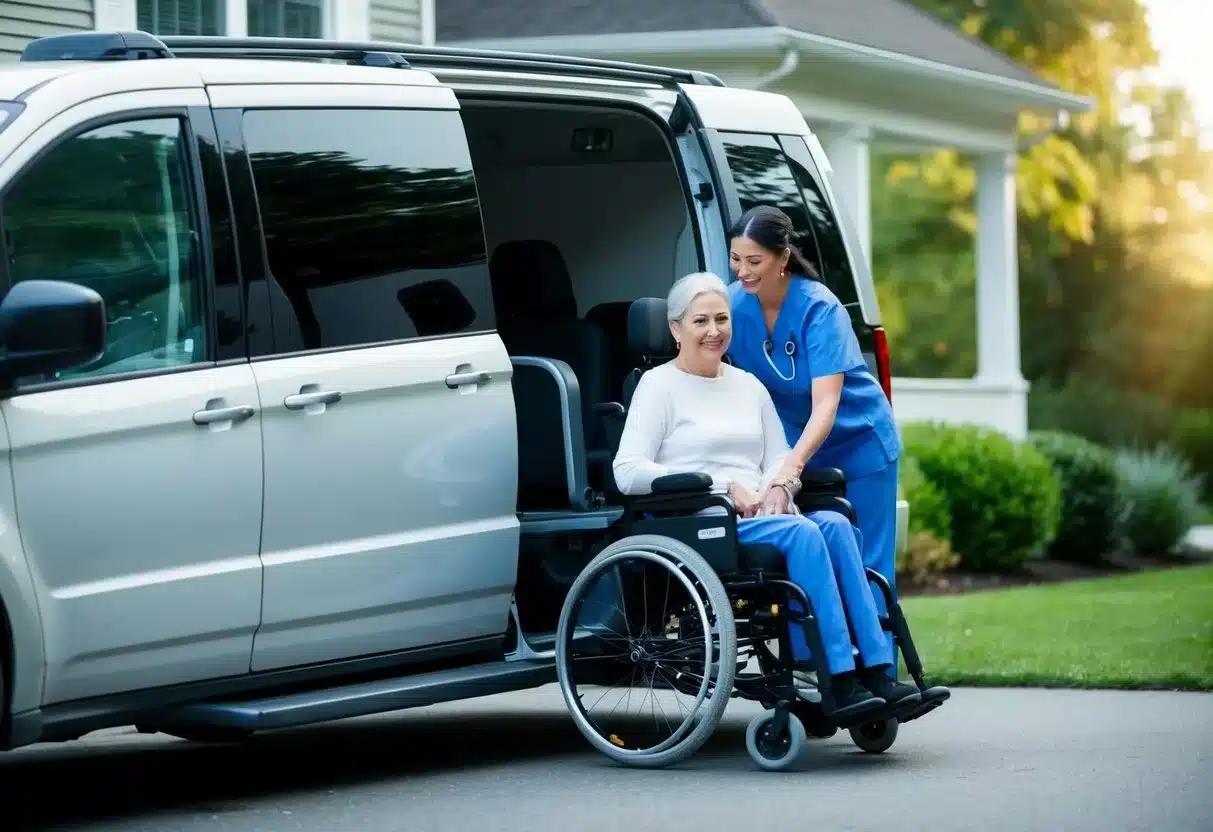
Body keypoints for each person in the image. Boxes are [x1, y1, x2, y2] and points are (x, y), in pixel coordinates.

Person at [612, 271, 917, 720]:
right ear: (676, 329)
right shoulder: (658, 386)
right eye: (700, 321)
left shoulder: (747, 384)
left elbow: (779, 454)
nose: (714, 331)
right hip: (703, 518)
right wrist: (718, 485)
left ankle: (877, 670)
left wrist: (779, 484)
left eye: (722, 318)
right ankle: (837, 677)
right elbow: (627, 472)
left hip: (761, 514)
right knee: (805, 534)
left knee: (834, 524)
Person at [724, 205, 904, 677]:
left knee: (867, 564)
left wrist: (789, 472)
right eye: (735, 259)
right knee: (810, 556)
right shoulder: (732, 306)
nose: (742, 272)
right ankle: (819, 671)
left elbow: (826, 405)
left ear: (783, 258)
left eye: (754, 262)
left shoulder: (820, 307)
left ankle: (880, 675)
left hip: (859, 445)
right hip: (792, 449)